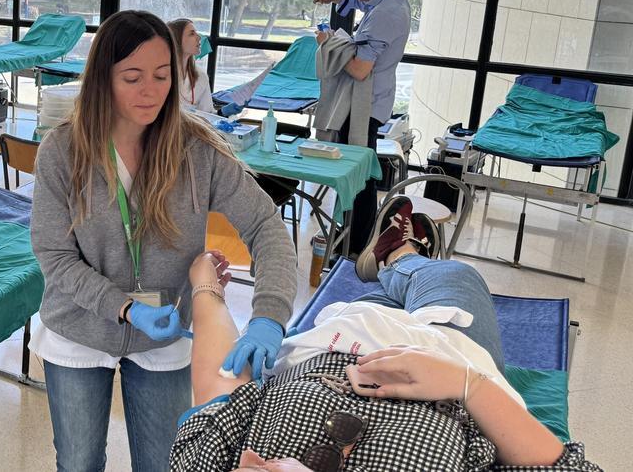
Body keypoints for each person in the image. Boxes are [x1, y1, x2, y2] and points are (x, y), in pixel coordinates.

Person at [31, 10, 297, 472]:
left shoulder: (197, 149)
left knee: (164, 462)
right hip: (78, 327)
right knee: (78, 462)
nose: (150, 91)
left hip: (167, 333)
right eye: (132, 77)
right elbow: (55, 256)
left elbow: (266, 226)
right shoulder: (62, 150)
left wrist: (269, 316)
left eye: (161, 75)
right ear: (102, 80)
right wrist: (126, 306)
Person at [169, 201, 600, 472]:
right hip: (450, 348)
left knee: (381, 295)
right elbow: (562, 464)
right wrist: (465, 384)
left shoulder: (213, 462)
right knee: (455, 275)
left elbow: (220, 392)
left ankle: (396, 260)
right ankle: (401, 254)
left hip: (336, 336)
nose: (247, 460)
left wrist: (205, 284)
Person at [312, 0, 412, 258]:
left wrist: (330, 43)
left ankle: (355, 245)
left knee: (357, 174)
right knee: (360, 170)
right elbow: (359, 1)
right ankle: (354, 236)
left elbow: (358, 68)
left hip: (364, 105)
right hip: (370, 101)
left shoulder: (385, 15)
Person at [167, 18, 214, 113]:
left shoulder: (201, 76)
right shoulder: (163, 75)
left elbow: (208, 113)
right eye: (192, 34)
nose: (199, 37)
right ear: (176, 39)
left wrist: (223, 113)